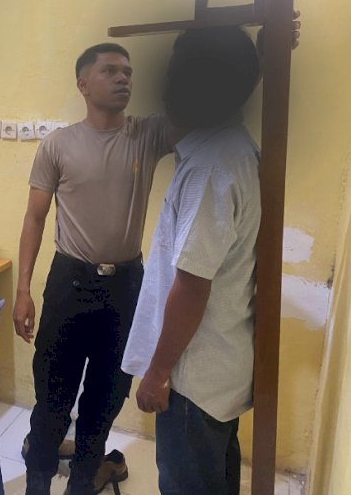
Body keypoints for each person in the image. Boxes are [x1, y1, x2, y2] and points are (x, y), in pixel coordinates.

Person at [14, 43, 171, 494]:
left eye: (128, 72)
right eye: (110, 71)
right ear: (83, 84)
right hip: (70, 283)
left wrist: (261, 58)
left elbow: (208, 111)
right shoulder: (58, 145)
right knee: (53, 394)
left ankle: (82, 482)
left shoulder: (147, 135)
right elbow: (34, 218)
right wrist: (23, 291)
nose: (123, 78)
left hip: (125, 288)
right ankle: (37, 482)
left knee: (106, 397)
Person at [121, 26, 264, 495]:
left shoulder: (210, 167)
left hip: (191, 379)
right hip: (216, 370)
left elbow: (192, 284)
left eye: (178, 77)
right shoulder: (232, 146)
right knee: (214, 479)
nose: (166, 90)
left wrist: (158, 373)